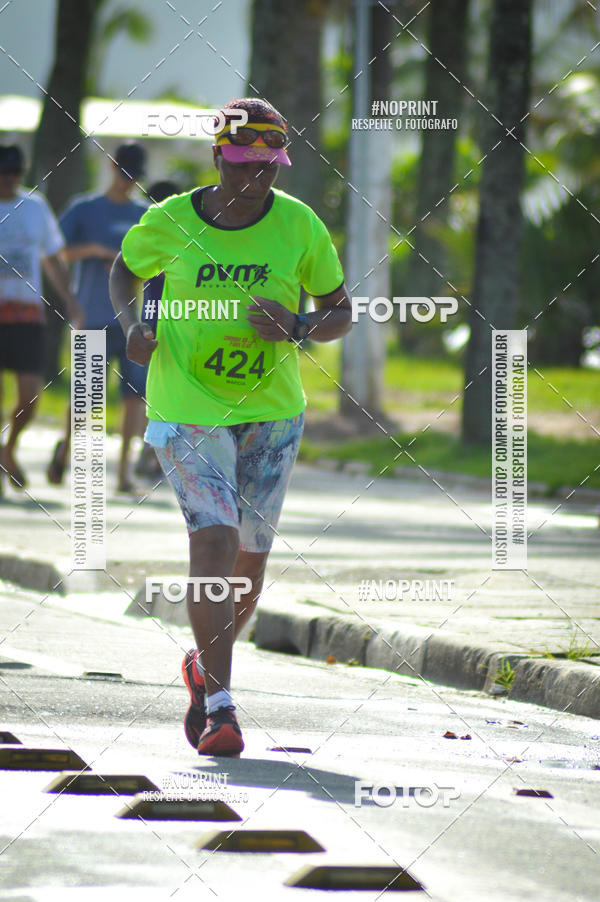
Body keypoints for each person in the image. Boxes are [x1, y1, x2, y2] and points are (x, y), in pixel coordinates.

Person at [110, 98, 352, 756]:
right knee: (213, 541)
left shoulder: (299, 227)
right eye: (243, 165)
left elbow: (341, 311)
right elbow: (124, 271)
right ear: (217, 157)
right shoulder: (172, 219)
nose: (256, 180)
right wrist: (132, 326)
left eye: (268, 166)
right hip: (186, 406)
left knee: (250, 557)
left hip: (271, 412)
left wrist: (299, 326)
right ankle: (221, 706)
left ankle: (202, 666)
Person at [46, 142, 149, 492]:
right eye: (124, 173)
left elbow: (159, 265)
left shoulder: (146, 214)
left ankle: (123, 473)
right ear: (111, 166)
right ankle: (65, 449)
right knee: (87, 395)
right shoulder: (86, 208)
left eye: (134, 176)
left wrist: (128, 266)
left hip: (132, 320)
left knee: (135, 394)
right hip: (93, 315)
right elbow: (54, 250)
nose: (128, 182)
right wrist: (94, 250)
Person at [0, 144, 80, 493]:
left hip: (27, 313)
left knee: (30, 397)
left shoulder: (34, 206)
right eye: (4, 174)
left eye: (15, 173)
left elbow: (52, 258)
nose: (9, 180)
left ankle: (8, 449)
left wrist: (71, 302)